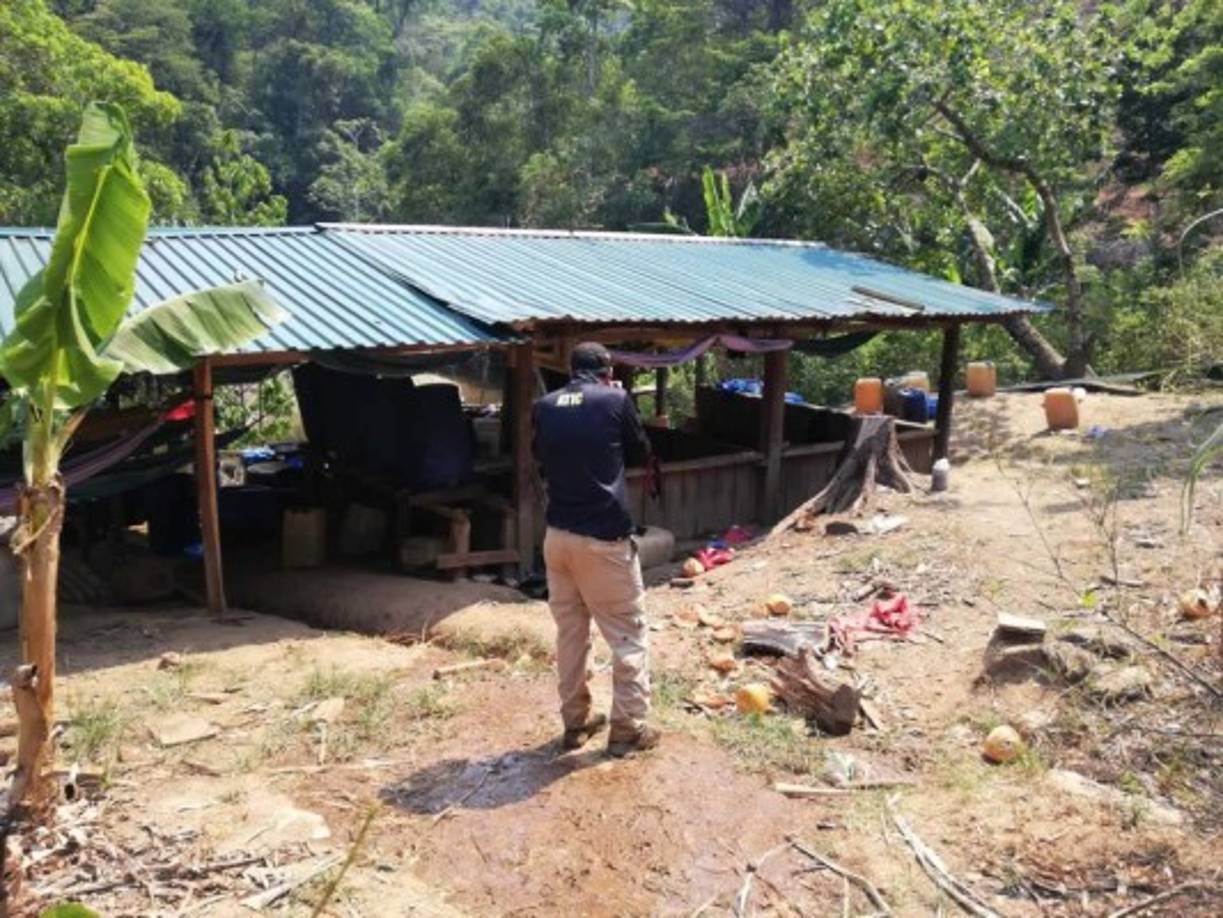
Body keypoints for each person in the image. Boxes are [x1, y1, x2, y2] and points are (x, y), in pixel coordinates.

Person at [532, 342, 661, 757]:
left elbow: (539, 455)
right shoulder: (615, 400)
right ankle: (628, 729)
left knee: (571, 634)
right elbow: (640, 451)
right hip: (603, 539)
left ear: (571, 369)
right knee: (628, 635)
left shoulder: (545, 406)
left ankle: (576, 722)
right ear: (607, 371)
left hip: (558, 538)